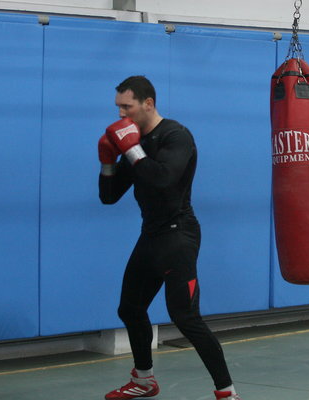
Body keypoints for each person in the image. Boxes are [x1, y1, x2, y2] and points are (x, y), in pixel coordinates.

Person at [98, 75, 241, 400]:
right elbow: (109, 196)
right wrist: (108, 162)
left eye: (127, 107)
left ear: (148, 103)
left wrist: (131, 150)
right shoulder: (131, 141)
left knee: (185, 316)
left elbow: (163, 178)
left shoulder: (176, 136)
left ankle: (227, 392)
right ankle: (145, 380)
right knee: (130, 308)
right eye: (118, 107)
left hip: (178, 236)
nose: (122, 115)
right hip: (150, 236)